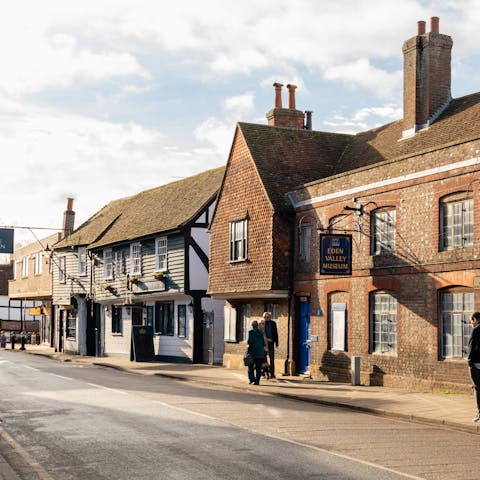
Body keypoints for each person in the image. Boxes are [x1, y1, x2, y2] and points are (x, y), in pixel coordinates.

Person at [468, 311, 480, 422]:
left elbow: (472, 347)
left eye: (471, 320)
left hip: (476, 364)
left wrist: (470, 362)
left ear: (475, 319)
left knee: (477, 388)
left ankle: (479, 414)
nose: (471, 323)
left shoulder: (476, 330)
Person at [247, 320, 265, 385]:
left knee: (250, 366)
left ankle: (252, 379)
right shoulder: (261, 332)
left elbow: (249, 342)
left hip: (253, 352)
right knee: (258, 368)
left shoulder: (251, 332)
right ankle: (257, 381)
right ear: (257, 325)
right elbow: (263, 343)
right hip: (260, 353)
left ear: (252, 325)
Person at [263, 311, 279, 378]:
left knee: (272, 358)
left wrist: (276, 342)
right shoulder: (262, 323)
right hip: (263, 344)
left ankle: (272, 373)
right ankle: (264, 372)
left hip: (271, 343)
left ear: (270, 317)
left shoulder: (273, 323)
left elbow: (276, 333)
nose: (266, 318)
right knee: (263, 359)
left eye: (267, 317)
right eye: (264, 317)